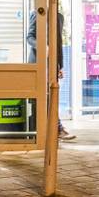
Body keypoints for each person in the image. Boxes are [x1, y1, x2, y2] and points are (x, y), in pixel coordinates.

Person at [27, 10, 76, 141]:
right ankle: (55, 129)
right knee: (42, 97)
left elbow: (59, 43)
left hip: (52, 64)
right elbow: (29, 37)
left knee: (52, 96)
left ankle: (55, 129)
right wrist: (43, 46)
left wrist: (59, 65)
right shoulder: (36, 14)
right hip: (38, 62)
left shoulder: (59, 16)